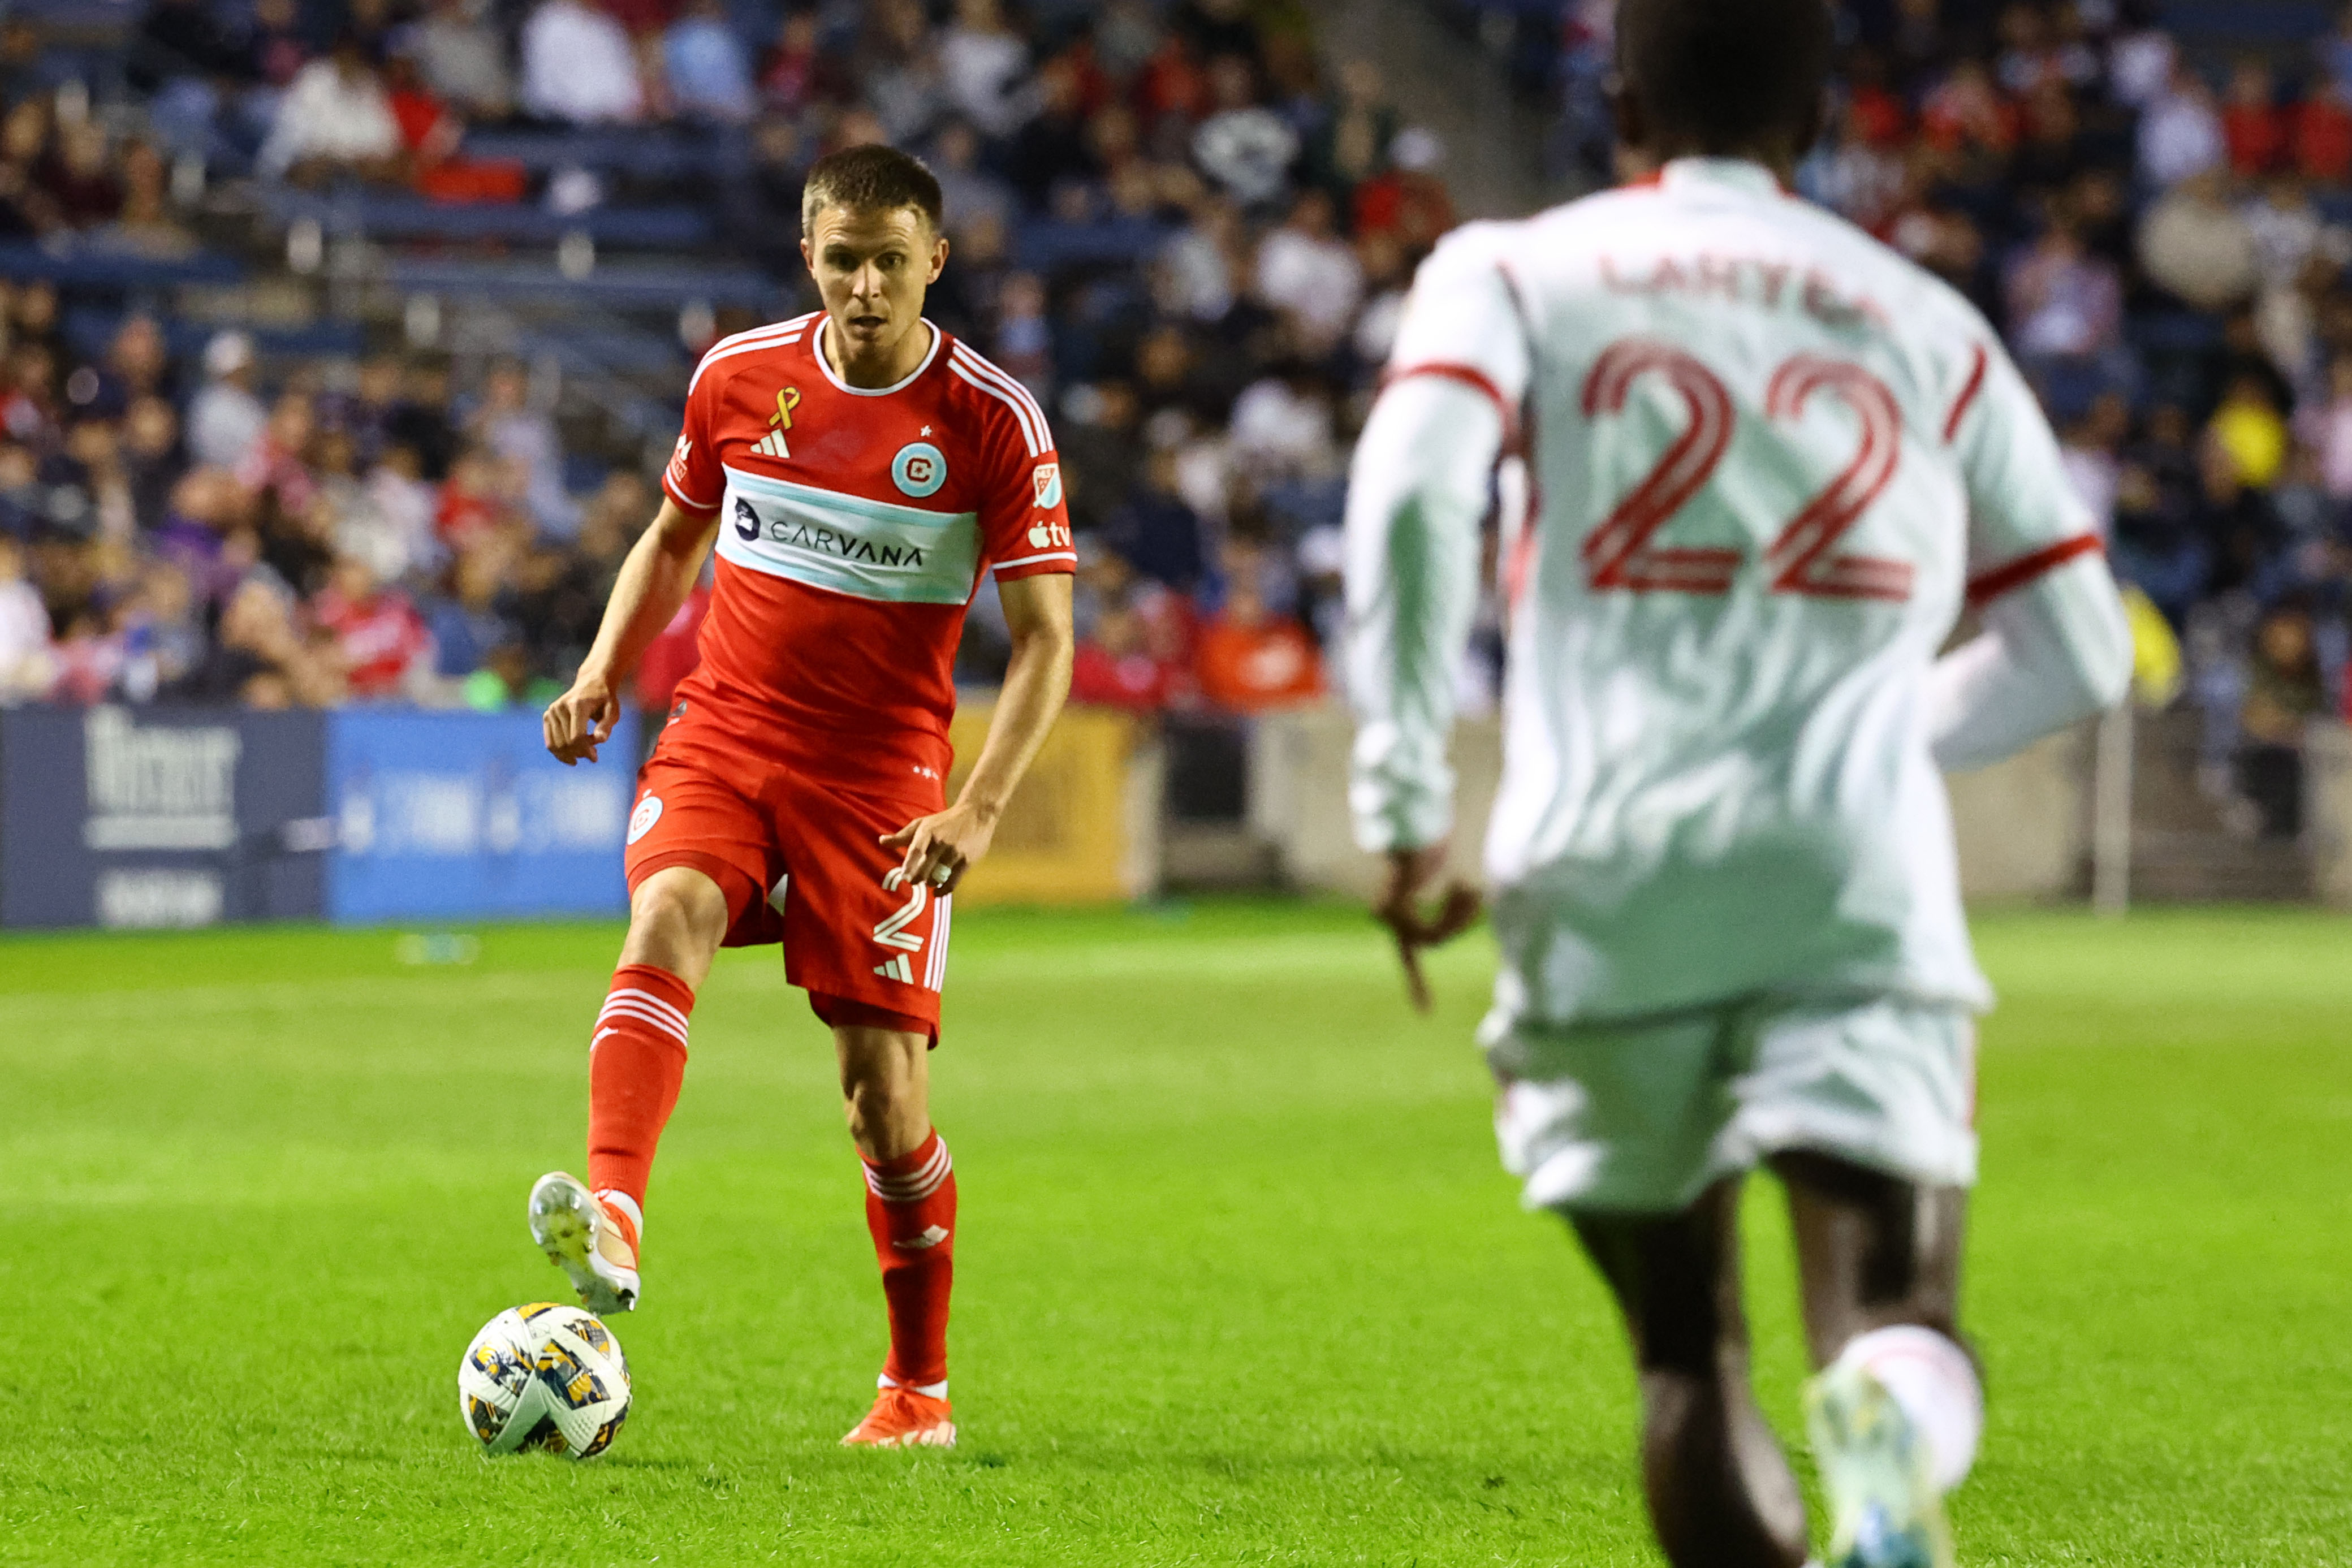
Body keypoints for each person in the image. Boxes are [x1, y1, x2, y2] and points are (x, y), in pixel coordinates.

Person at [1342, 0, 2133, 1565]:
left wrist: (1403, 793)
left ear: (1620, 95)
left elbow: (1419, 483)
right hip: (1851, 878)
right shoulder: (1920, 317)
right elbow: (2084, 647)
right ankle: (1895, 1423)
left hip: (1600, 872)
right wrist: (1878, 738)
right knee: (1893, 1309)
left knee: (1688, 1352)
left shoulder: (1513, 269)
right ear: (1821, 111)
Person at [533, 145, 1076, 1452]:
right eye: (845, 259)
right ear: (810, 257)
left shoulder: (992, 420)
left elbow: (1051, 641)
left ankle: (919, 1390)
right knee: (666, 911)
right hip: (725, 730)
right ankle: (616, 1212)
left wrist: (980, 807)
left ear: (934, 261)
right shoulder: (737, 378)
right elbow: (674, 538)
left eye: (893, 260)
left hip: (881, 779)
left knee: (882, 1103)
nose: (868, 285)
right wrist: (608, 665)